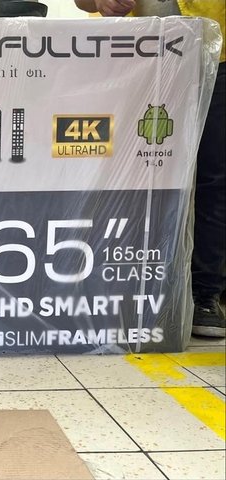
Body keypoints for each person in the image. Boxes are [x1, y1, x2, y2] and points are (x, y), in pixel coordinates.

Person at [74, 0, 226, 337]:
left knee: (214, 177)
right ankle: (125, 288)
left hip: (217, 55)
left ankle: (205, 295)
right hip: (137, 55)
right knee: (132, 174)